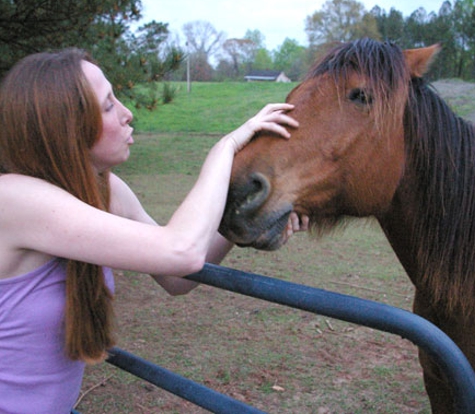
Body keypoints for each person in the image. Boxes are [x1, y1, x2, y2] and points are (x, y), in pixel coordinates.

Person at [0, 48, 308, 413]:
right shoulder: (13, 198)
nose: (128, 114)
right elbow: (180, 249)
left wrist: (243, 221)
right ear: (65, 125)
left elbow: (178, 276)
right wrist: (225, 149)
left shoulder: (105, 190)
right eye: (109, 105)